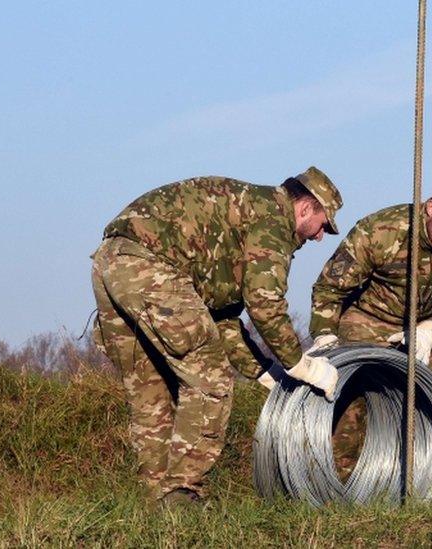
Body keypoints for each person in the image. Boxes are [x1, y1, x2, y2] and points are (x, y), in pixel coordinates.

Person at [90, 167, 342, 504]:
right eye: (323, 224)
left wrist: (264, 371)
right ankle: (183, 497)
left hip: (112, 262)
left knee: (150, 389)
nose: (320, 236)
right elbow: (264, 304)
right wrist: (302, 365)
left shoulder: (248, 214)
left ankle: (156, 503)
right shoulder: (273, 219)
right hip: (151, 268)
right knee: (212, 380)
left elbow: (220, 320)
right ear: (306, 208)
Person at [308, 174, 432, 401]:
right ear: (430, 208)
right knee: (347, 394)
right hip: (368, 318)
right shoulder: (381, 231)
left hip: (429, 323)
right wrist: (325, 336)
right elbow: (329, 288)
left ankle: (428, 437)